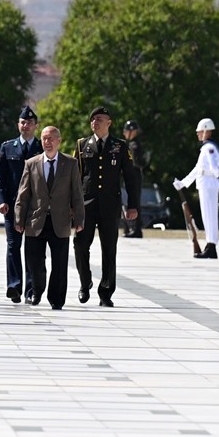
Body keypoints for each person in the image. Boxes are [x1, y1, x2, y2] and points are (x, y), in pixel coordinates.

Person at [74, 106, 140, 307]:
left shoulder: (120, 146)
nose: (95, 122)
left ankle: (106, 292)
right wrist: (72, 205)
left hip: (110, 205)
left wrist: (133, 205)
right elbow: (75, 178)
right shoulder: (82, 145)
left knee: (109, 249)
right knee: (80, 245)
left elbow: (130, 178)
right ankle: (85, 282)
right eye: (93, 119)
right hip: (86, 205)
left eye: (100, 119)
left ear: (109, 123)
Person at [15, 125, 85, 310]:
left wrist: (79, 219)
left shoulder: (70, 164)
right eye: (44, 138)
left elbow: (77, 194)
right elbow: (23, 194)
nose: (47, 142)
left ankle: (57, 299)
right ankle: (37, 289)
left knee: (60, 264)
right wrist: (19, 219)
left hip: (60, 221)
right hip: (35, 221)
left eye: (51, 138)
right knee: (34, 263)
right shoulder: (31, 163)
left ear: (59, 141)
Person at [0, 106, 42, 303]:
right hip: (12, 206)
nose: (26, 126)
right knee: (13, 246)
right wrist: (1, 201)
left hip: (35, 207)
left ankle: (31, 290)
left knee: (32, 248)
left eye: (29, 123)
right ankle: (14, 286)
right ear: (18, 125)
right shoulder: (7, 147)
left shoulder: (41, 148)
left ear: (36, 126)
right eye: (23, 122)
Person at [173, 118, 219, 259]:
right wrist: (183, 183)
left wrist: (216, 171)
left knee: (209, 216)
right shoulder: (206, 147)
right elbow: (197, 169)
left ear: (206, 131)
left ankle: (211, 246)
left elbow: (213, 166)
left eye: (199, 132)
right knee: (208, 216)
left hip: (208, 183)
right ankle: (210, 245)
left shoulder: (208, 148)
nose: (198, 134)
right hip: (206, 183)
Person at [121, 120, 146, 238]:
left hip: (134, 175)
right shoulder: (133, 144)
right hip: (133, 175)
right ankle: (132, 228)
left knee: (134, 201)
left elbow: (136, 162)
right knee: (131, 201)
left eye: (126, 131)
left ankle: (135, 229)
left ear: (132, 132)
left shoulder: (134, 146)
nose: (124, 133)